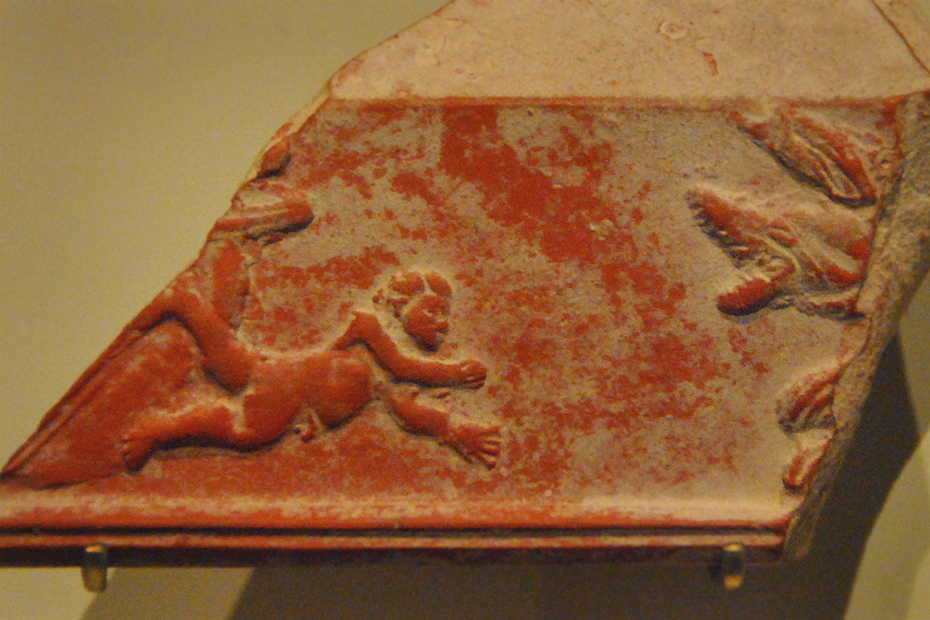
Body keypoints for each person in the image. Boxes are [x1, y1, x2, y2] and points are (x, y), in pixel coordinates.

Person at [120, 270, 501, 469]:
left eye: (445, 315)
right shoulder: (374, 327)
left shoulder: (382, 374)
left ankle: (187, 302)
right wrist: (453, 374)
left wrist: (455, 429)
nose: (443, 323)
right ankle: (160, 429)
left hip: (297, 387)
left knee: (232, 364)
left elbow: (409, 411)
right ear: (401, 305)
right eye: (433, 311)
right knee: (247, 429)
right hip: (294, 387)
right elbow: (403, 366)